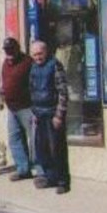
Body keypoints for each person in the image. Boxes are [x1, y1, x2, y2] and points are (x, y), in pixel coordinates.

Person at [29, 38, 70, 194]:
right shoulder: (33, 68)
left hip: (53, 113)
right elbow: (32, 91)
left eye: (40, 54)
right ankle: (50, 177)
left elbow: (63, 92)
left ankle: (63, 181)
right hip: (39, 114)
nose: (38, 57)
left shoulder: (55, 65)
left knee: (57, 149)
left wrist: (59, 115)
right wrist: (34, 113)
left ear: (46, 52)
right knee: (42, 149)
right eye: (34, 55)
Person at [0, 36, 35, 181]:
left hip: (27, 107)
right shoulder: (5, 64)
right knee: (15, 139)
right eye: (6, 50)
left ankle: (40, 169)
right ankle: (23, 169)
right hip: (12, 108)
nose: (9, 53)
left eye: (11, 49)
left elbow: (34, 83)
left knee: (35, 139)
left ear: (17, 49)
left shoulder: (27, 62)